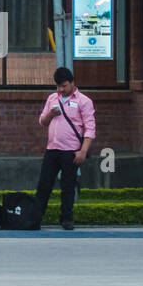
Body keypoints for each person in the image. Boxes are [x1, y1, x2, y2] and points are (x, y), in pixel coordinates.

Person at [34, 66, 95, 230]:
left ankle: (66, 219)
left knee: (68, 186)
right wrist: (50, 115)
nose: (61, 89)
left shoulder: (84, 101)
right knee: (44, 184)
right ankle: (36, 218)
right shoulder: (52, 98)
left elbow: (90, 128)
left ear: (72, 83)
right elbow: (42, 121)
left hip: (72, 151)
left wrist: (83, 151)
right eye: (58, 86)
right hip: (52, 149)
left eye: (64, 86)